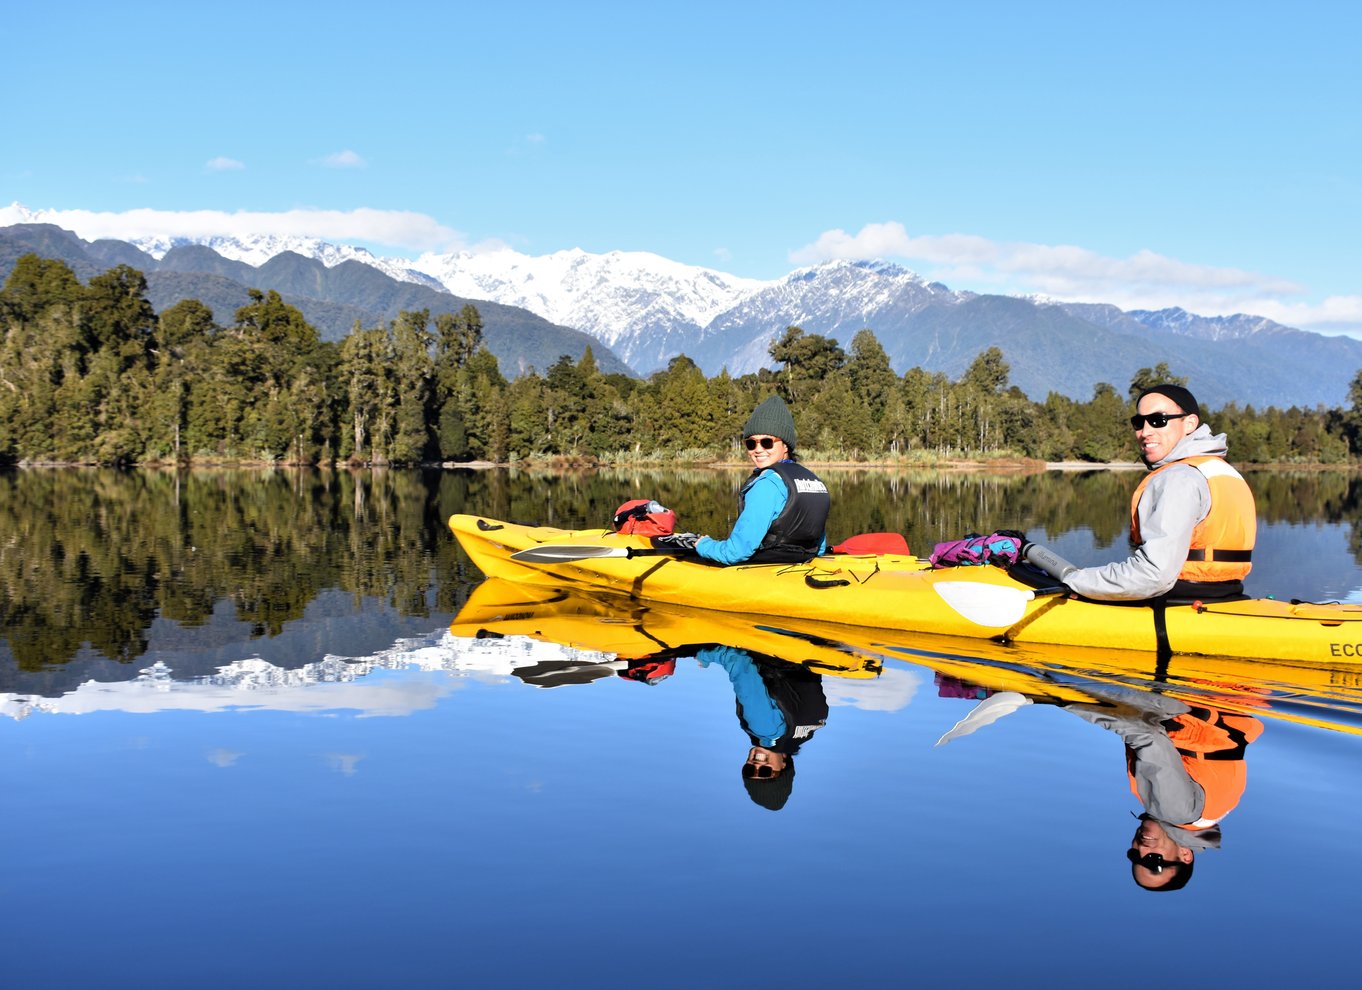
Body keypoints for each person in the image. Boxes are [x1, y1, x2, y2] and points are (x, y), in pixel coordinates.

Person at [1058, 384, 1256, 601]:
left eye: (1158, 420)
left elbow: (1153, 575)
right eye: (1138, 422)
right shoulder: (1221, 471)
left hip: (1176, 600)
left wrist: (1076, 580)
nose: (1145, 432)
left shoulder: (1180, 477)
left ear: (1189, 423)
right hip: (1226, 594)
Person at [653, 395, 830, 564]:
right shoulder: (815, 482)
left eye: (767, 442)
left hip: (766, 567)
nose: (758, 449)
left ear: (785, 445)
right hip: (802, 563)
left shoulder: (768, 484)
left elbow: (735, 553)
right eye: (751, 443)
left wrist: (702, 544)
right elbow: (819, 547)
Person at [695, 644, 828, 811]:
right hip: (774, 643)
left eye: (749, 769)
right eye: (766, 772)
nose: (756, 764)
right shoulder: (765, 730)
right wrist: (703, 656)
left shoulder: (808, 731)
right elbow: (737, 659)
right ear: (784, 766)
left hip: (806, 647)